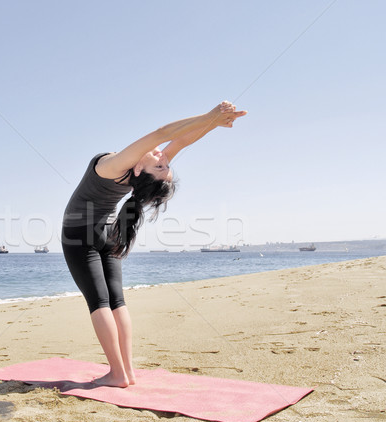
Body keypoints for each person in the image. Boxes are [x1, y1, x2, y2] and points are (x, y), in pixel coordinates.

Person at [61, 101, 247, 387]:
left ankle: (118, 373)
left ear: (139, 171)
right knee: (115, 300)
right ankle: (126, 372)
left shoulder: (117, 165)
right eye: (164, 164)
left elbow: (163, 133)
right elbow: (180, 141)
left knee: (100, 303)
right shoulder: (140, 169)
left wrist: (210, 116)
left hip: (78, 233)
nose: (163, 157)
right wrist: (212, 124)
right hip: (107, 232)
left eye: (161, 165)